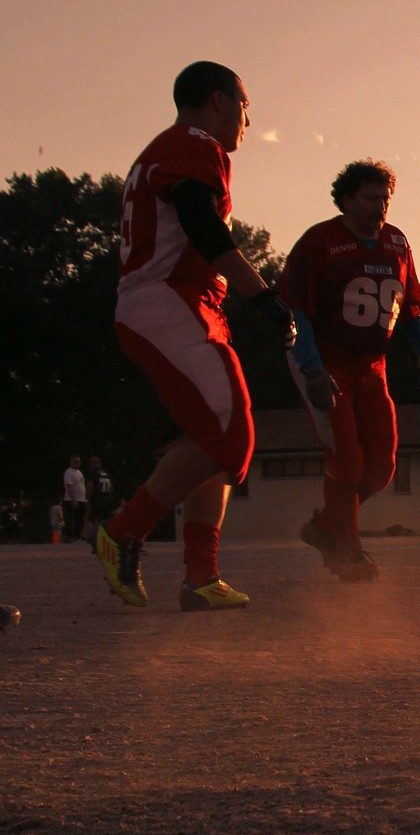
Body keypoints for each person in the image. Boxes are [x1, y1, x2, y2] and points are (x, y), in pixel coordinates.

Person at [94, 61, 315, 612]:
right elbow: (201, 223)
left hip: (181, 304)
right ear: (219, 101)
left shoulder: (173, 148)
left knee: (216, 442)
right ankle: (123, 530)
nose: (248, 118)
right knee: (228, 433)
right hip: (168, 301)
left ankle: (201, 574)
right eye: (244, 104)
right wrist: (262, 295)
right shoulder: (193, 142)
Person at [281, 160, 420, 582]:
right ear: (346, 199)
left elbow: (407, 308)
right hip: (326, 360)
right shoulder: (320, 241)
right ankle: (346, 551)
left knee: (382, 466)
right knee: (347, 459)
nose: (380, 206)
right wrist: (313, 369)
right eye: (371, 198)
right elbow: (298, 313)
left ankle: (326, 528)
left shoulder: (397, 243)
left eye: (385, 197)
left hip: (373, 366)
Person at [84, 455, 116, 538]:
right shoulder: (106, 473)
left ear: (91, 463)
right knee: (107, 520)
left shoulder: (92, 472)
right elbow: (111, 486)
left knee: (90, 519)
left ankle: (88, 537)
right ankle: (109, 536)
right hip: (109, 498)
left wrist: (87, 498)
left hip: (98, 499)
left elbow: (90, 486)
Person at [60, 456, 86, 543]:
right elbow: (69, 486)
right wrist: (73, 499)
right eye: (76, 461)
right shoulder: (69, 472)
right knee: (71, 520)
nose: (78, 463)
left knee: (80, 519)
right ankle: (70, 537)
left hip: (81, 499)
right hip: (71, 500)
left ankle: (78, 537)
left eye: (79, 461)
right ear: (71, 462)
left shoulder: (79, 472)